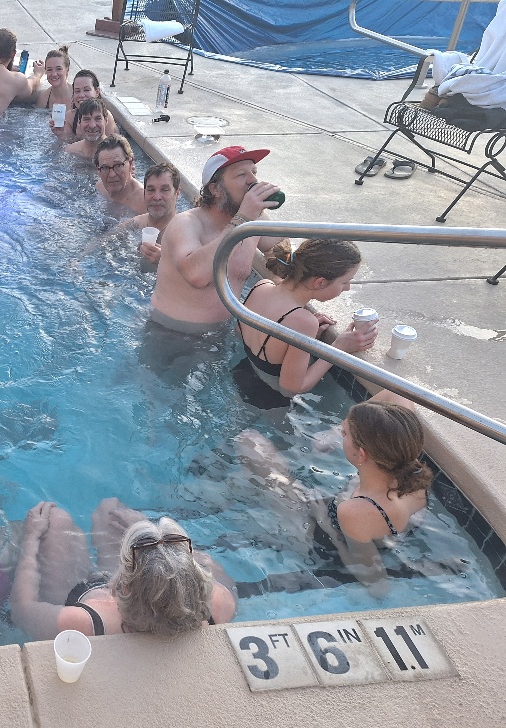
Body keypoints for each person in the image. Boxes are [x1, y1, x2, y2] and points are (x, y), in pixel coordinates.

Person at [236, 391, 432, 596]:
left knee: (250, 444)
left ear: (361, 454)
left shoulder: (355, 511)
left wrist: (326, 522)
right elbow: (398, 394)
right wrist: (333, 432)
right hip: (369, 525)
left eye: (345, 434)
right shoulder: (408, 466)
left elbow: (378, 586)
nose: (341, 433)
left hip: (325, 539)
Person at [10, 498, 237, 640]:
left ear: (122, 586)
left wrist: (31, 537)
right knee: (110, 509)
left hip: (77, 594)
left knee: (55, 520)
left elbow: (22, 610)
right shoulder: (219, 603)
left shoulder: (89, 624)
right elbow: (213, 569)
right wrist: (151, 535)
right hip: (147, 587)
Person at [150, 145, 288, 333]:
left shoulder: (255, 222)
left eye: (254, 172)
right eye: (241, 175)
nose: (253, 180)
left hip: (223, 334)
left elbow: (284, 261)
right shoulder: (185, 223)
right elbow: (197, 275)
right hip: (168, 334)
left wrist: (292, 307)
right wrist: (242, 218)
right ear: (215, 189)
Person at [237, 239, 379, 397]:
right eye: (345, 282)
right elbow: (290, 389)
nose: (347, 288)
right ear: (320, 282)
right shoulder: (304, 322)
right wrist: (338, 348)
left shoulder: (261, 286)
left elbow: (241, 332)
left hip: (241, 374)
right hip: (269, 399)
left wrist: (298, 341)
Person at [125, 162, 181, 266]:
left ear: (177, 194)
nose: (157, 197)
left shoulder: (183, 234)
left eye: (164, 190)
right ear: (144, 193)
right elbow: (101, 245)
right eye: (151, 190)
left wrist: (165, 261)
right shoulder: (136, 224)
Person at [51, 70, 118, 140]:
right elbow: (68, 143)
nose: (81, 95)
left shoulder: (106, 117)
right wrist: (60, 134)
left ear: (97, 92)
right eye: (77, 91)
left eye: (86, 90)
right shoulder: (70, 117)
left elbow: (110, 145)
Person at [94, 135, 146, 214]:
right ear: (98, 170)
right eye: (105, 167)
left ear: (130, 163)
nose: (112, 175)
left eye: (118, 166)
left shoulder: (144, 202)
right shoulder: (100, 188)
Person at [34, 45, 72, 109]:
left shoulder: (78, 96)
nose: (54, 74)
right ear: (45, 71)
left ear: (67, 69)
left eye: (59, 69)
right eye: (49, 70)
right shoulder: (43, 98)